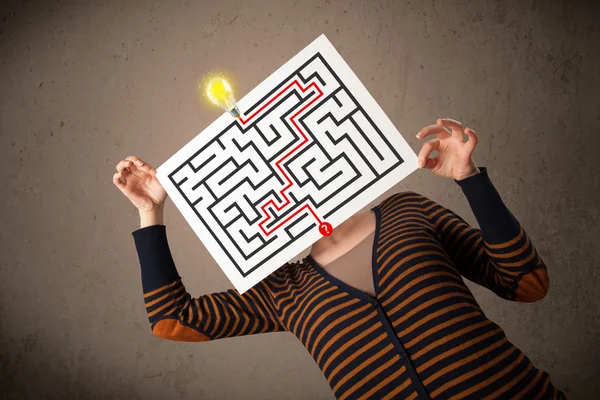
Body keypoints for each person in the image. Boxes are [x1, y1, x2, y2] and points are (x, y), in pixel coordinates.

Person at [113, 118, 567, 399]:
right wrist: (150, 211)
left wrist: (469, 178)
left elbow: (526, 282)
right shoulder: (281, 289)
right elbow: (172, 320)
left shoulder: (408, 209)